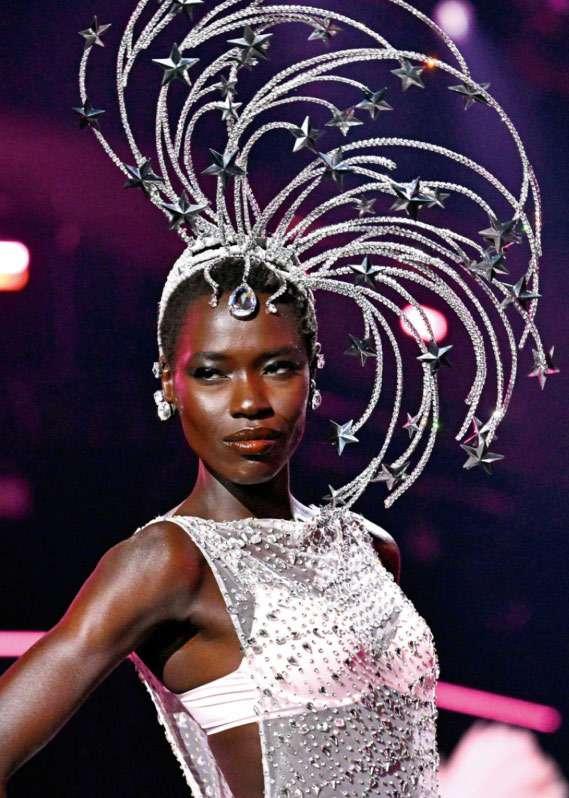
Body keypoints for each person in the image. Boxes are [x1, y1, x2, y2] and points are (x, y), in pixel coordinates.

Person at [0, 0, 555, 794]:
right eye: (212, 372)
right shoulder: (167, 562)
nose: (250, 401)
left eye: (277, 367)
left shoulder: (370, 549)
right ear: (168, 385)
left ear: (313, 375)